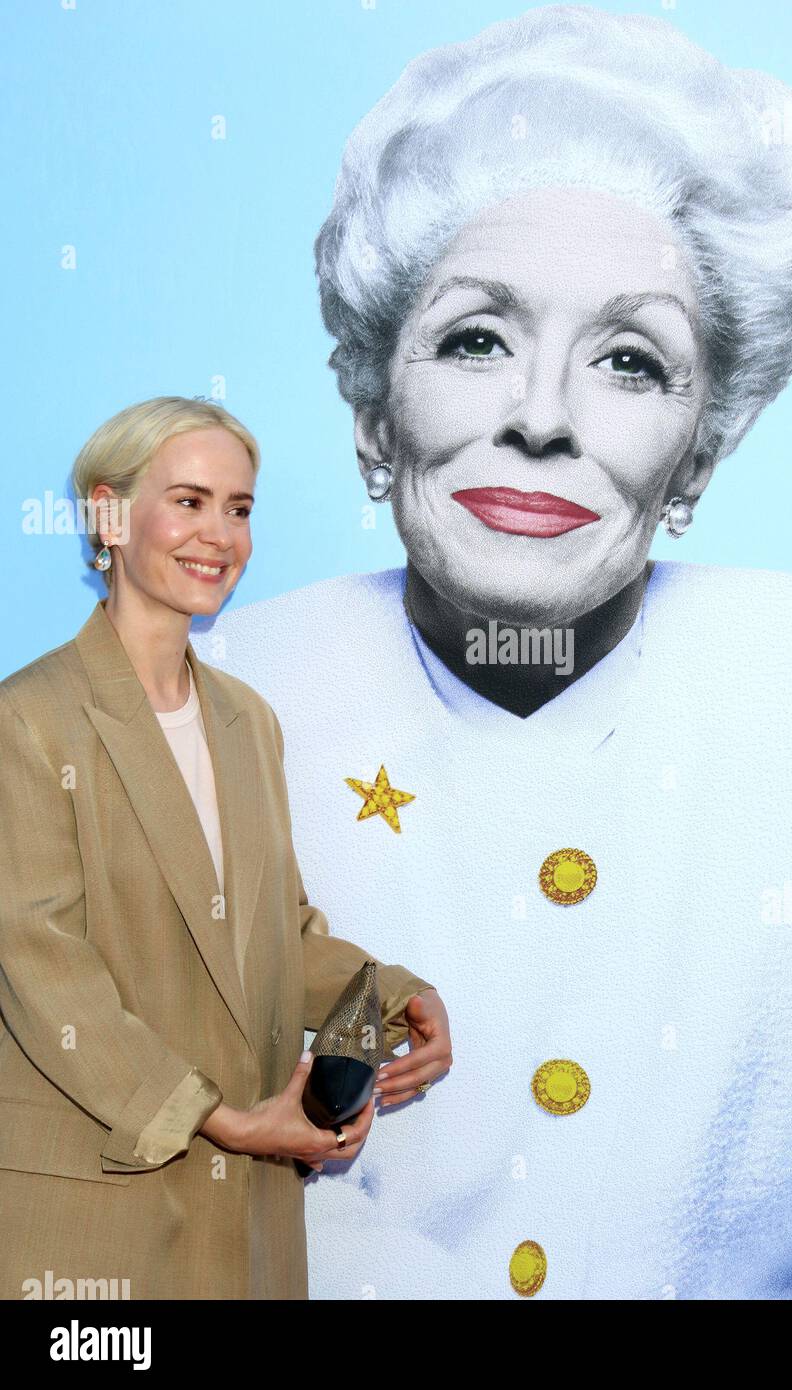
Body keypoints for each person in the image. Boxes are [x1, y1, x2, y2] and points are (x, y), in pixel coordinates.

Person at [212, 6, 792, 1299]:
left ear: (704, 447)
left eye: (630, 360)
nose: (541, 417)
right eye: (476, 339)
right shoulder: (209, 713)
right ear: (373, 405)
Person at [0, 396, 451, 1300]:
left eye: (239, 508)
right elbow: (41, 970)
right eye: (191, 501)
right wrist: (223, 1119)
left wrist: (393, 994)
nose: (220, 535)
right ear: (108, 515)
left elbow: (272, 936)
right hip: (96, 1213)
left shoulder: (248, 723)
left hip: (247, 1219)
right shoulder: (29, 720)